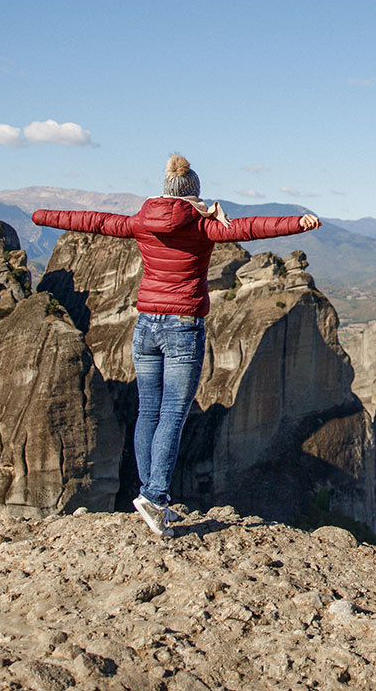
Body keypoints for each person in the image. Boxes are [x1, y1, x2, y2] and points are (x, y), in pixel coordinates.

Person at [32, 153, 319, 537]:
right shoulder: (204, 228)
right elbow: (251, 228)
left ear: (165, 192)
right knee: (172, 414)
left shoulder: (140, 222)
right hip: (183, 326)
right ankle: (155, 497)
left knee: (148, 411)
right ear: (193, 194)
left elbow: (91, 220)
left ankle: (147, 493)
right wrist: (298, 223)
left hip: (146, 325)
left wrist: (41, 216)